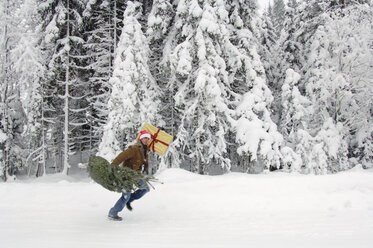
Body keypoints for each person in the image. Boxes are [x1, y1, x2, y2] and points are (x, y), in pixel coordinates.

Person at [108, 130, 152, 221]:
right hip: (127, 175)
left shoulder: (145, 150)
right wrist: (113, 166)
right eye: (145, 138)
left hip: (136, 175)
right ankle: (113, 213)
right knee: (126, 195)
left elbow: (144, 162)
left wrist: (146, 170)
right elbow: (121, 156)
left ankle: (128, 201)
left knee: (145, 189)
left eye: (148, 138)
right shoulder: (134, 149)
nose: (146, 140)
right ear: (141, 138)